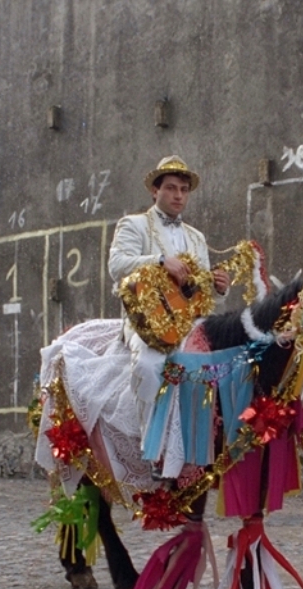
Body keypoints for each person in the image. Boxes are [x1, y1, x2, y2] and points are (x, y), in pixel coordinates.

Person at [107, 155, 231, 448]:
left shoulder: (196, 237)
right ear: (155, 191)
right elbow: (117, 265)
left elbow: (198, 291)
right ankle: (150, 445)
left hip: (188, 322)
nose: (178, 196)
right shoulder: (134, 225)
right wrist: (161, 261)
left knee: (227, 363)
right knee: (148, 366)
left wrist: (218, 287)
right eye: (171, 188)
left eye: (184, 190)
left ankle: (207, 441)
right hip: (146, 322)